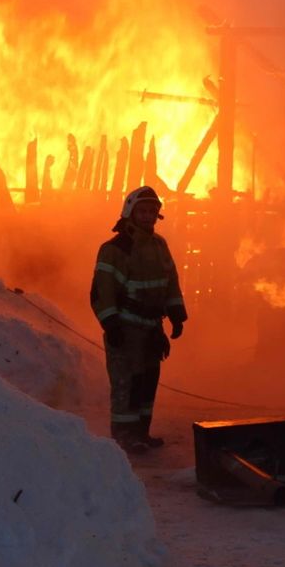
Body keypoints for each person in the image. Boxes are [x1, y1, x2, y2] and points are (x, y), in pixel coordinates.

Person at [90, 186, 187, 454]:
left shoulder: (159, 246)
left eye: (152, 212)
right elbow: (102, 290)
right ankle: (124, 437)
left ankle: (141, 434)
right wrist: (111, 324)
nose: (147, 217)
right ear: (130, 212)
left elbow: (171, 281)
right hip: (126, 326)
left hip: (151, 328)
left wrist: (177, 314)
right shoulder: (114, 249)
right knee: (126, 383)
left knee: (147, 381)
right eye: (142, 211)